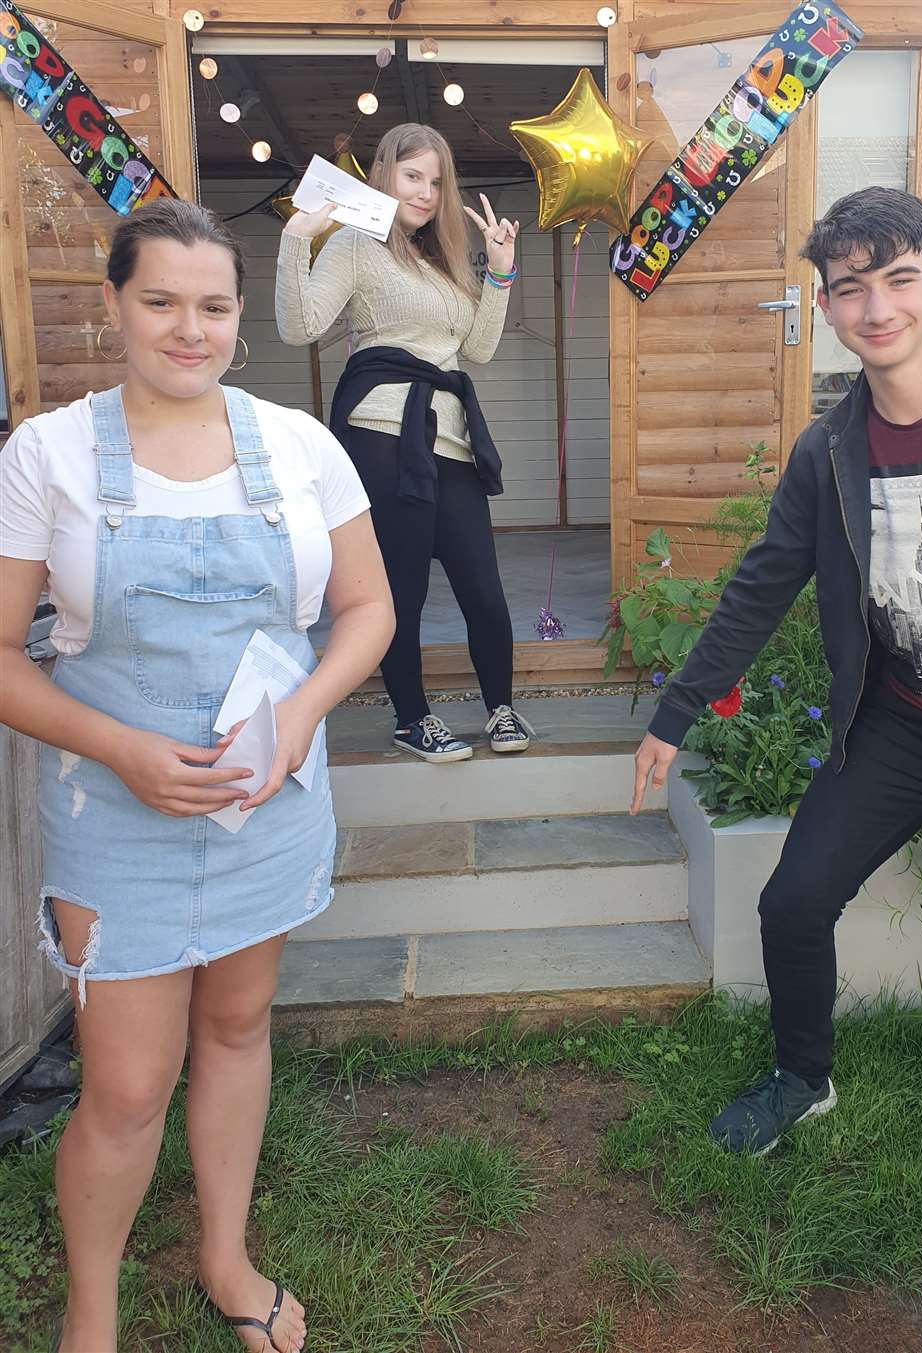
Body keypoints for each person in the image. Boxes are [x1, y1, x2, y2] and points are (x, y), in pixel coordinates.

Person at [0, 198, 395, 1353]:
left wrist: (298, 718)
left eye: (213, 306)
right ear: (114, 302)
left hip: (264, 797)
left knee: (238, 1025)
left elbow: (369, 610)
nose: (190, 328)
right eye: (161, 301)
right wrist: (123, 749)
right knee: (125, 1087)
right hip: (111, 812)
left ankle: (225, 1256)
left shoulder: (300, 446)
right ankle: (94, 1314)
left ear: (240, 316)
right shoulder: (48, 454)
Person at [631, 187, 922, 1156]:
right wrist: (675, 713)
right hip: (905, 726)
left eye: (898, 280)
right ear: (828, 309)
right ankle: (803, 1076)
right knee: (793, 900)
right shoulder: (828, 454)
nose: (877, 309)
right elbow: (761, 586)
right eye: (850, 290)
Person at [275, 122, 535, 764]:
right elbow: (298, 325)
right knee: (400, 590)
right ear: (385, 174)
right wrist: (295, 240)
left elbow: (476, 348)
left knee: (483, 587)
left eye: (436, 180)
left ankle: (501, 706)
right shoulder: (358, 247)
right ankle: (411, 718)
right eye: (412, 175)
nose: (424, 191)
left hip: (451, 442)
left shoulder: (443, 257)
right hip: (383, 438)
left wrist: (498, 274)